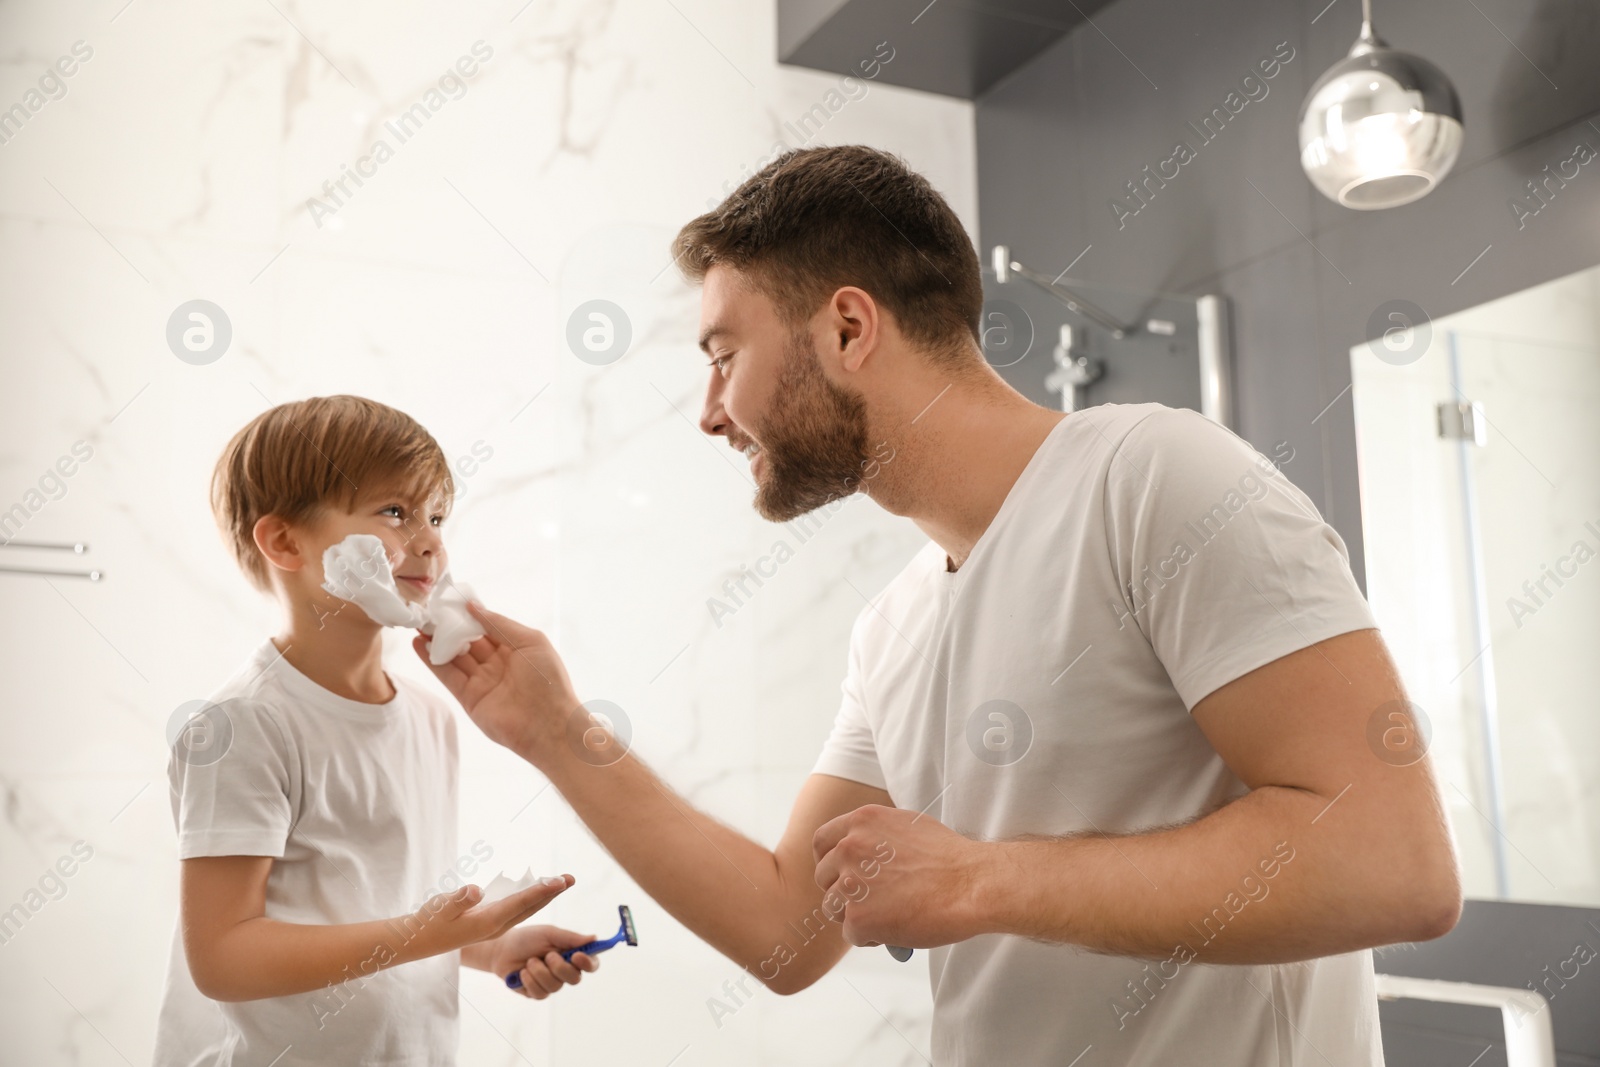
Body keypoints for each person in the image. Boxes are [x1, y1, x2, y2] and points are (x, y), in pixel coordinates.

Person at [419, 146, 1462, 1065]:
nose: (708, 412)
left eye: (722, 354)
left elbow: (1391, 860)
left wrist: (983, 880)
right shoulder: (896, 625)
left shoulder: (1155, 479)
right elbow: (789, 928)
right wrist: (555, 732)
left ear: (846, 326)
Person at [154, 396, 599, 1067]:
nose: (428, 540)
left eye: (437, 515)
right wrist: (425, 935)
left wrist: (482, 945)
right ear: (284, 542)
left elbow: (379, 910)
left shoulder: (430, 715)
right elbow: (223, 957)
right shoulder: (243, 726)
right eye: (394, 511)